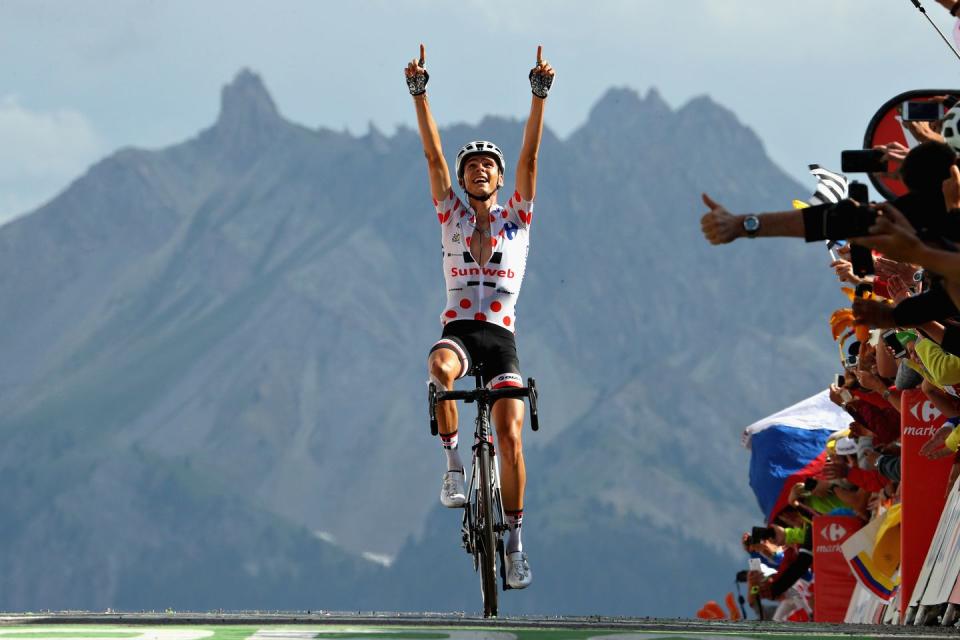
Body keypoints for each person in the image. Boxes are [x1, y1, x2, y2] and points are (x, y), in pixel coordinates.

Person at [406, 43, 554, 589]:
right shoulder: (448, 213)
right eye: (473, 167)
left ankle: (515, 543)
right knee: (439, 369)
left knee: (511, 437)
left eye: (488, 166)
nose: (480, 171)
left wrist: (538, 97)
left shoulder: (519, 215)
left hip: (502, 340)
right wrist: (420, 95)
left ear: (497, 178)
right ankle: (452, 469)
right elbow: (433, 157)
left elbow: (531, 158)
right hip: (460, 334)